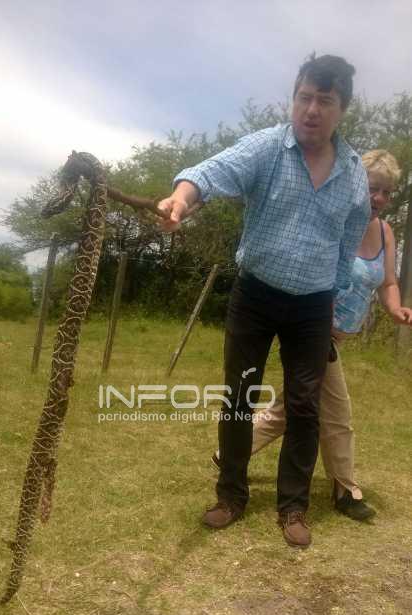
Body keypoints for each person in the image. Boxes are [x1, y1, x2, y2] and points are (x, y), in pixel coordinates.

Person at [158, 54, 371, 548]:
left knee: (304, 406)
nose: (311, 110)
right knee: (239, 396)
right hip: (255, 295)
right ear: (294, 98)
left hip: (313, 307)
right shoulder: (268, 147)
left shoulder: (355, 173)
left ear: (342, 109)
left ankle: (293, 506)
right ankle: (230, 495)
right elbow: (213, 171)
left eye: (324, 100)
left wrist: (335, 299)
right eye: (304, 97)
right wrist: (181, 200)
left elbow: (349, 241)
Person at [212, 150, 412, 521]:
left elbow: (387, 282)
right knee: (337, 414)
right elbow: (313, 270)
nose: (379, 198)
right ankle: (345, 490)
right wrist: (322, 318)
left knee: (292, 408)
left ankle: (229, 454)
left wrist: (396, 308)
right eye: (372, 188)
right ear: (356, 185)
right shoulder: (337, 222)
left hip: (337, 337)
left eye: (387, 192)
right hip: (316, 332)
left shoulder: (385, 233)